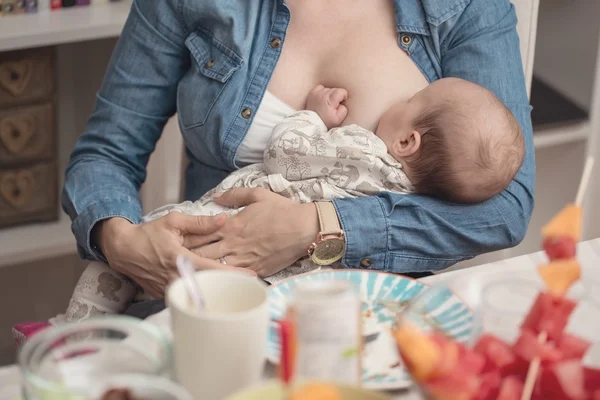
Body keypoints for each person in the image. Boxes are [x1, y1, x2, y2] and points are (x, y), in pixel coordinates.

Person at [62, 0, 534, 312]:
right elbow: (106, 152)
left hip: (377, 317)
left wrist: (319, 227)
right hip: (212, 293)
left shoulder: (462, 6)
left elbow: (503, 207)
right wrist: (121, 243)